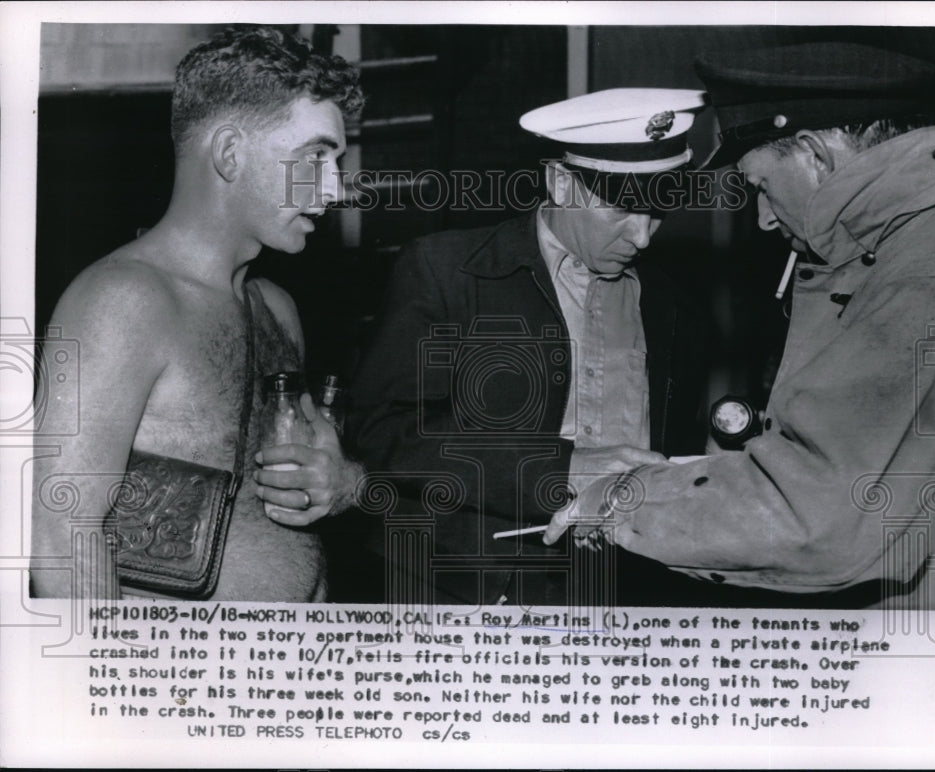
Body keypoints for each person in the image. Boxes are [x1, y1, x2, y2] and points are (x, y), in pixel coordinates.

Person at [545, 42, 935, 611]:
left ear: (815, 155)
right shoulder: (932, 237)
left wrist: (623, 499)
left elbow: (815, 517)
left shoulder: (926, 270)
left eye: (761, 186)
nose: (765, 218)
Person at [31, 26, 365, 601]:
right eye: (315, 156)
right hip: (168, 659)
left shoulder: (276, 309)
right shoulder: (123, 300)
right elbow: (60, 532)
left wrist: (344, 482)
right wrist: (111, 661)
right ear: (230, 153)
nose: (335, 189)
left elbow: (288, 495)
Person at [347, 89, 712, 606]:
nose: (643, 237)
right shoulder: (447, 270)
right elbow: (382, 434)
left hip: (620, 590)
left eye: (659, 212)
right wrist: (558, 469)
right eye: (623, 208)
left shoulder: (675, 305)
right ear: (561, 182)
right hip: (459, 589)